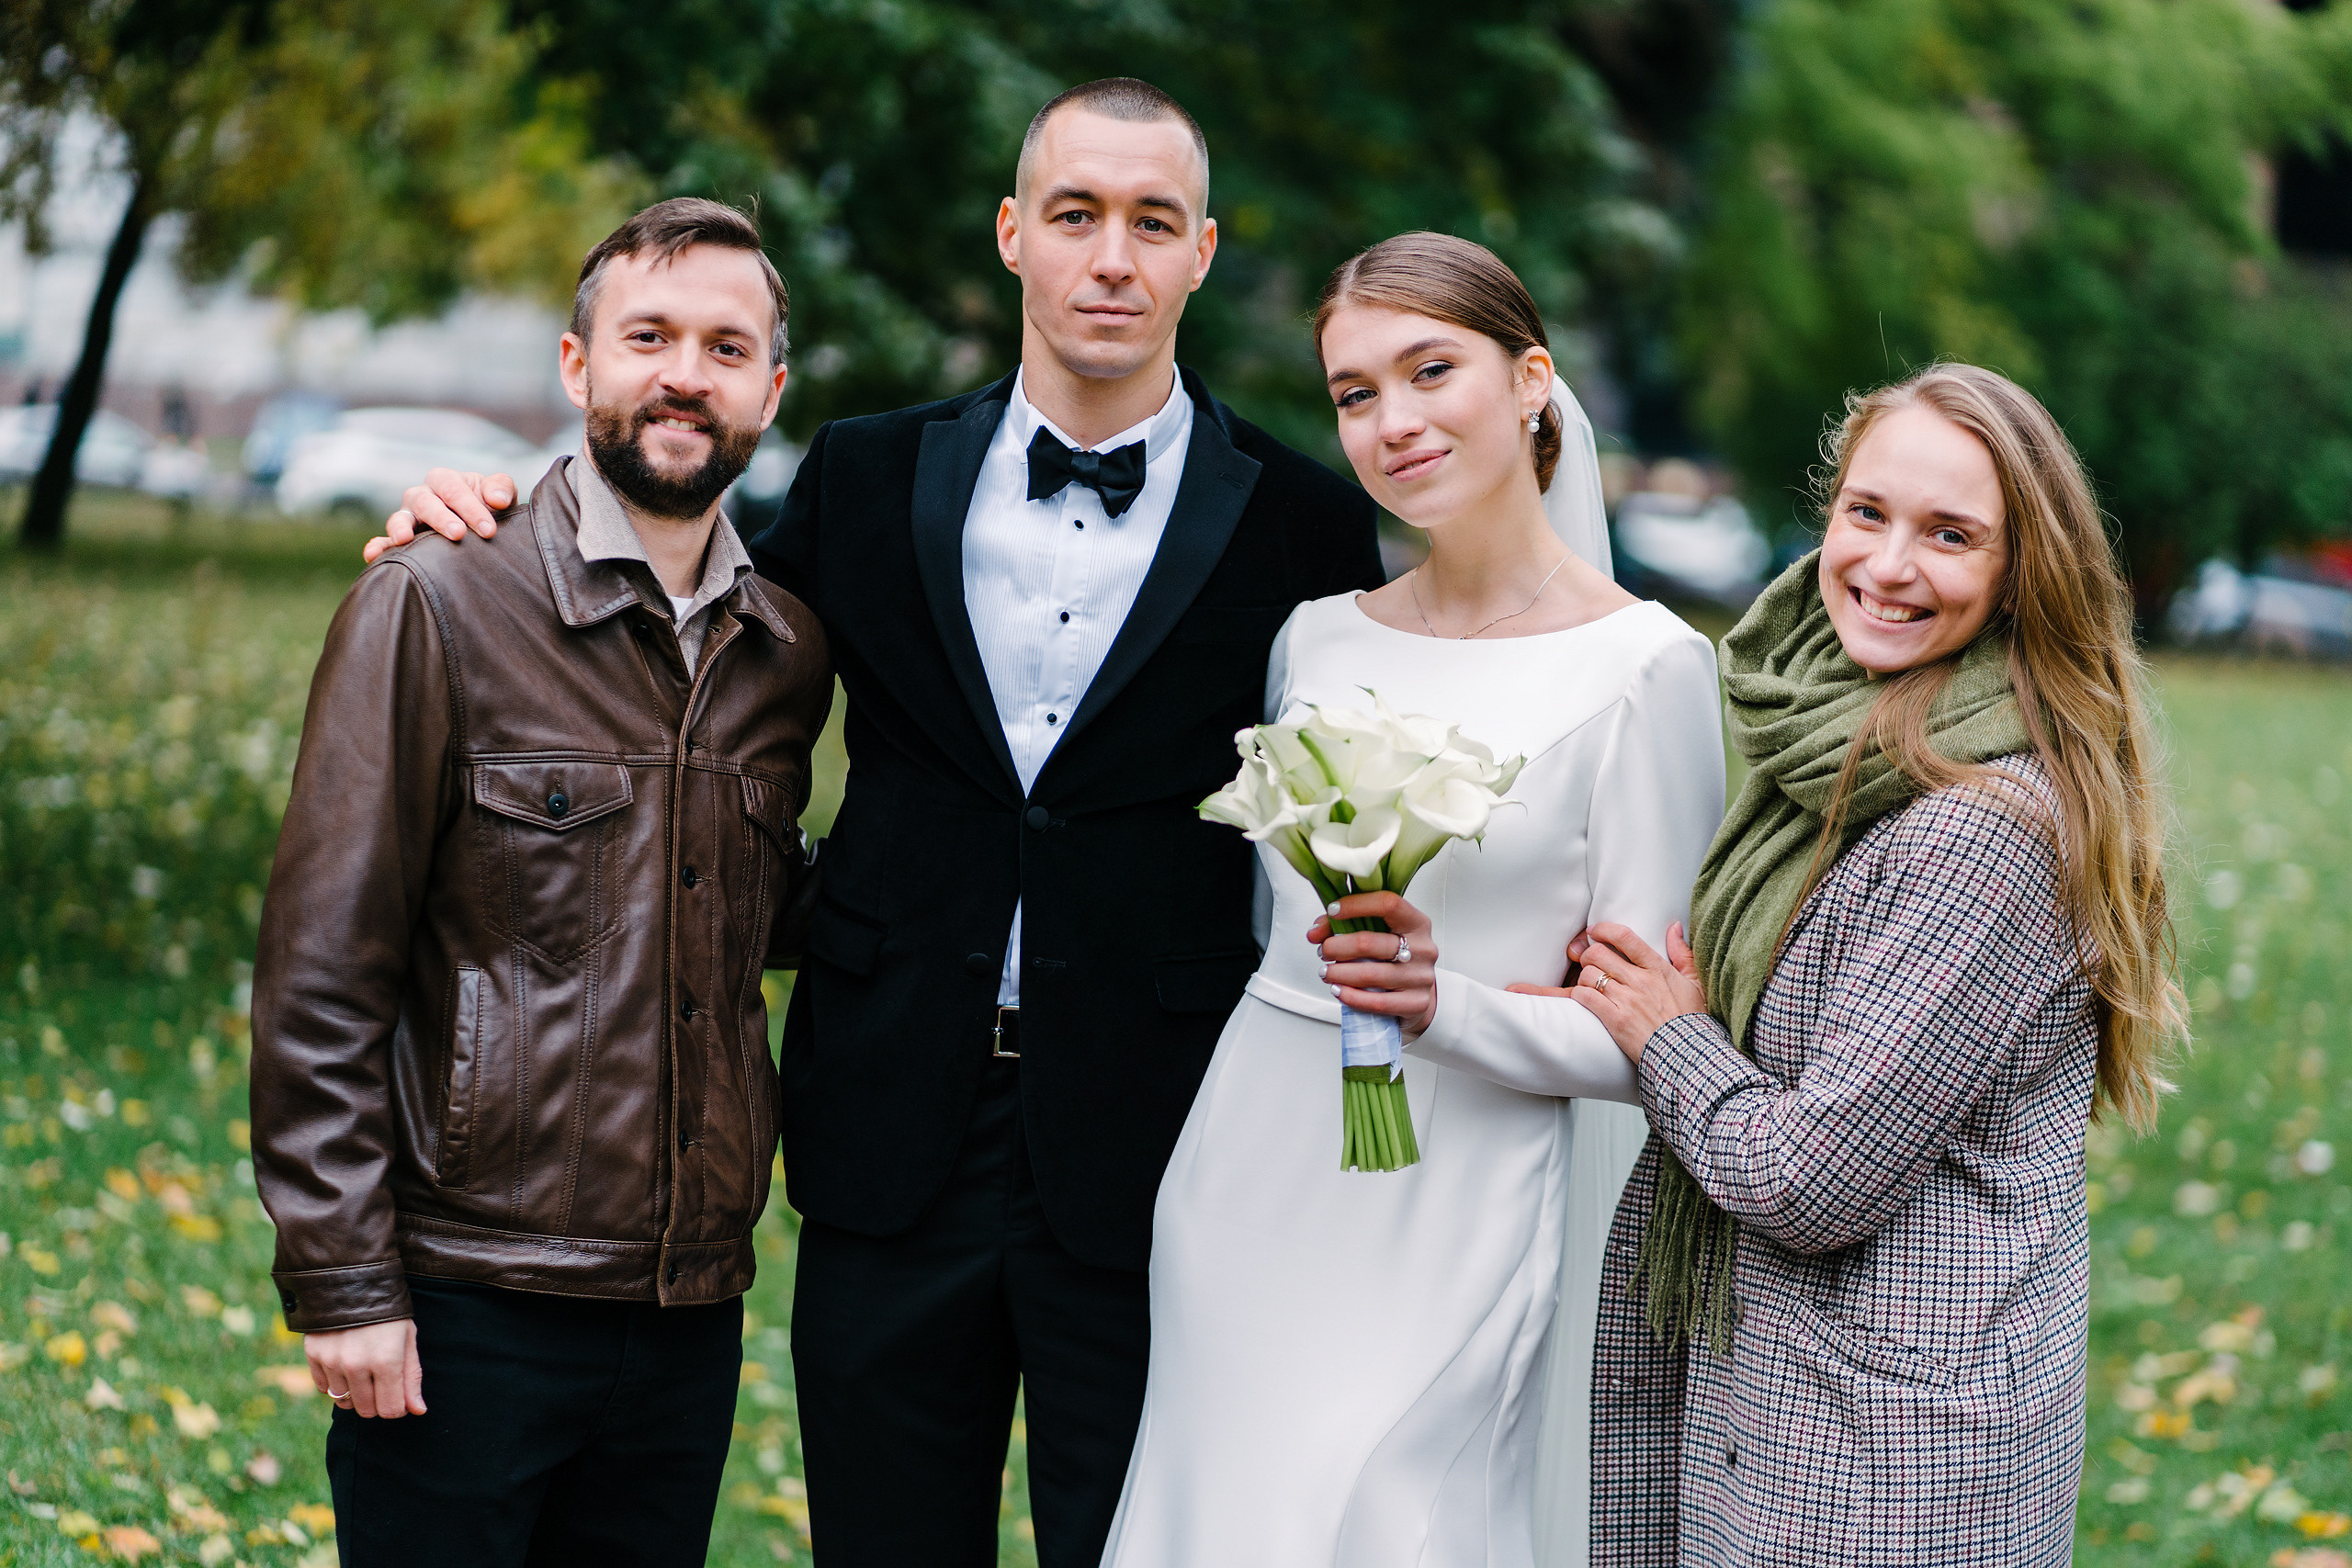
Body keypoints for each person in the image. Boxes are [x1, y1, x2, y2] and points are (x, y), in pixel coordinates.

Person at [363, 79, 1383, 1566]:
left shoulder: (1302, 520)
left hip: (1164, 1142)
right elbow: (676, 628)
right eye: (1077, 215)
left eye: (1153, 223)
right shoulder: (868, 472)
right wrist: (495, 524)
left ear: (1202, 252)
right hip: (893, 1125)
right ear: (1013, 233)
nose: (1112, 257)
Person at [1099, 232, 1726, 1568]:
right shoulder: (1315, 637)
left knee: (1397, 1516)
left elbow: (1649, 1045)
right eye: (1355, 392)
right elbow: (1276, 939)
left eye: (1430, 370)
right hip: (1251, 1172)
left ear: (1531, 380)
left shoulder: (1648, 668)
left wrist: (1446, 1007)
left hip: (1462, 1194)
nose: (1392, 420)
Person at [249, 197, 832, 1566]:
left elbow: (748, 907)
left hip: (687, 1311)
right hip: (467, 1300)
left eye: (727, 348)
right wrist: (346, 1282)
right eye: (649, 336)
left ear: (770, 390)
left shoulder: (784, 652)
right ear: (579, 366)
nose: (686, 375)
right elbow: (323, 972)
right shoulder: (435, 600)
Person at [1559, 363, 2183, 1567]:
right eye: (1867, 513)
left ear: (2024, 571)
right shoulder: (1844, 747)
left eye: (1950, 535)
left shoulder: (1983, 831)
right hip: (1785, 1397)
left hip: (1877, 1460)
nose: (1888, 565)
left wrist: (1669, 1033)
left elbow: (1811, 1178)